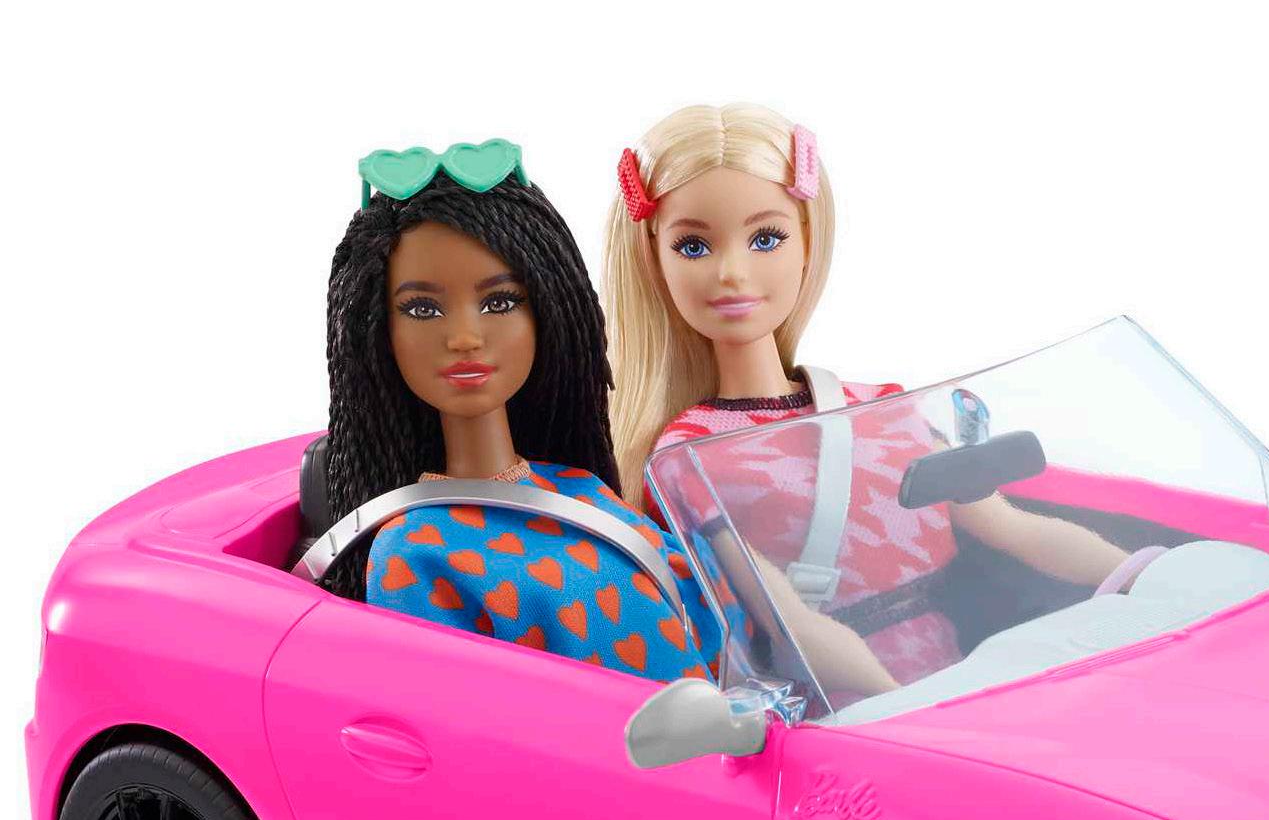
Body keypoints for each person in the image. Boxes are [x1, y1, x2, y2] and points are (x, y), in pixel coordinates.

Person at [601, 104, 1130, 695]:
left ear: (807, 242)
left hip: (967, 680)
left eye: (766, 238)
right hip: (851, 707)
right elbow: (791, 622)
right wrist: (897, 711)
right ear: (654, 260)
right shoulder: (689, 454)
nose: (732, 271)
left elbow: (1012, 527)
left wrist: (1145, 571)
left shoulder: (879, 407)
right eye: (693, 246)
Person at [322, 139, 735, 680]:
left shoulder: (578, 485)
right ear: (376, 330)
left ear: (548, 309)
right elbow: (454, 712)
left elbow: (710, 625)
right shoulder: (413, 550)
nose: (465, 337)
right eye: (423, 309)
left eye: (499, 302)